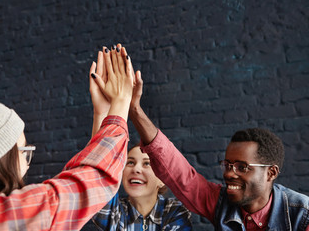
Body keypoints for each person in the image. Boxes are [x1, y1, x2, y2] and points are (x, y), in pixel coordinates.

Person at [0, 45, 134, 230]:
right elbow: (87, 184)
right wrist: (122, 100)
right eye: (23, 152)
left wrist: (102, 113)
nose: (27, 162)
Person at [128, 69, 309, 230]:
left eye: (241, 167)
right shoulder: (221, 202)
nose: (229, 174)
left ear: (271, 172)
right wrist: (134, 110)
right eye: (227, 165)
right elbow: (180, 174)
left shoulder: (302, 215)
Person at [89, 44, 192, 230]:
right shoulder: (115, 212)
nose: (136, 169)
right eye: (129, 162)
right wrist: (101, 111)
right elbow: (98, 176)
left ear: (162, 179)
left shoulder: (174, 212)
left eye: (146, 163)